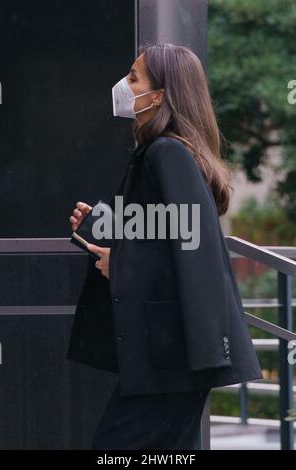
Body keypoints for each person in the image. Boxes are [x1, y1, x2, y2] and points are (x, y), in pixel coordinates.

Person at [68, 43, 262, 450]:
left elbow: (195, 250)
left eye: (134, 78)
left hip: (172, 357)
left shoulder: (167, 152)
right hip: (173, 355)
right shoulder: (159, 152)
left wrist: (119, 264)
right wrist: (103, 222)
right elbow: (165, 233)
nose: (124, 85)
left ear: (158, 95)